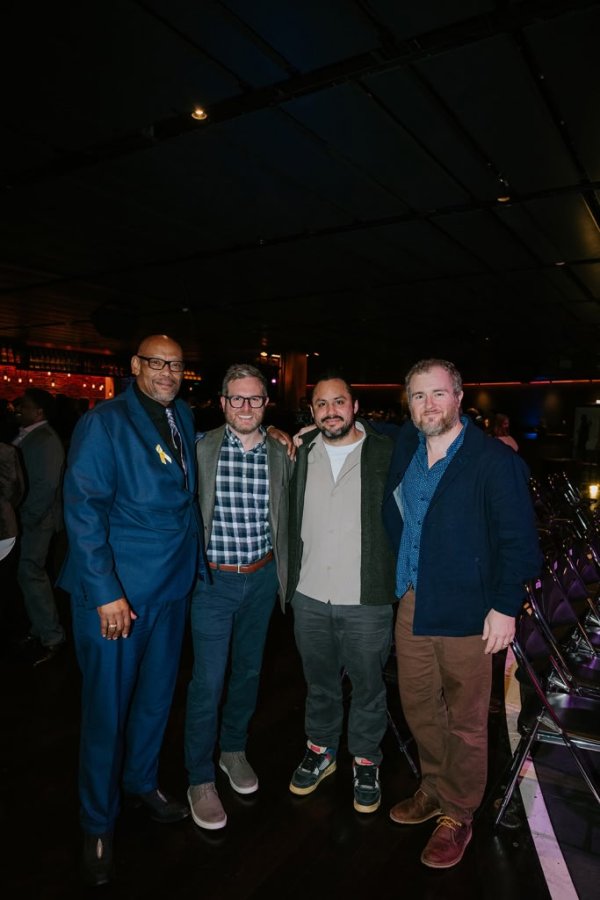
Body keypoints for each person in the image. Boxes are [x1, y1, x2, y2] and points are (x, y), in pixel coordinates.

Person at [58, 334, 205, 887]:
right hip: (116, 597)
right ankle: (97, 821)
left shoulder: (183, 416)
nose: (168, 372)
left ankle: (141, 780)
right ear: (135, 365)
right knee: (106, 711)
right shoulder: (105, 422)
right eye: (157, 363)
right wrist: (105, 591)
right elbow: (84, 510)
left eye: (177, 364)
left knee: (155, 699)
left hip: (170, 588)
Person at [382, 358, 540, 869]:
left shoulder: (495, 460)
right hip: (413, 600)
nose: (428, 405)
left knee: (468, 720)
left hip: (471, 611)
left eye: (438, 394)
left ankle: (459, 811)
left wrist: (503, 607)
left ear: (459, 397)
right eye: (417, 396)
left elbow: (519, 542)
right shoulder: (407, 445)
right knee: (420, 706)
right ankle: (434, 786)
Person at [184, 363, 292, 830]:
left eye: (255, 399)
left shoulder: (283, 452)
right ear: (222, 401)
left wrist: (287, 435)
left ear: (266, 405)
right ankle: (199, 777)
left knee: (248, 671)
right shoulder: (199, 448)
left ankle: (232, 750)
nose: (246, 407)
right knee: (207, 682)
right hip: (212, 583)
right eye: (236, 399)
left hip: (262, 579)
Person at [286, 373, 396, 814]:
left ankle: (366, 758)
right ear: (311, 412)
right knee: (320, 683)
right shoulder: (298, 453)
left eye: (339, 402)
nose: (330, 411)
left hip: (366, 596)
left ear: (355, 406)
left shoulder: (387, 451)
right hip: (309, 593)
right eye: (320, 404)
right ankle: (321, 749)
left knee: (369, 685)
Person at [13, 388, 65, 664]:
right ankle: (40, 628)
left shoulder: (45, 439)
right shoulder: (32, 435)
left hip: (37, 520)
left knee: (32, 574)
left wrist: (27, 518)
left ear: (39, 411)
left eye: (25, 406)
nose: (20, 409)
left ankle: (51, 635)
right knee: (30, 574)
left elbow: (46, 486)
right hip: (31, 518)